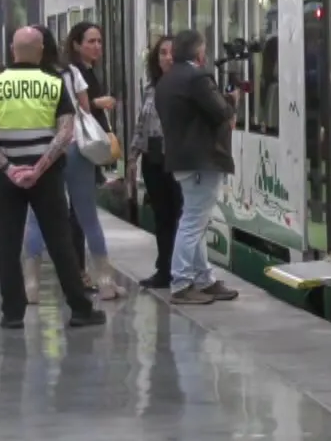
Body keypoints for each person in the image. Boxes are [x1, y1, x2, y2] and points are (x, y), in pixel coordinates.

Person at [0, 26, 105, 331]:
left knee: (7, 244)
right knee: (60, 243)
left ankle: (12, 313)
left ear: (11, 49)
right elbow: (66, 131)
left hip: (5, 179)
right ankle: (80, 309)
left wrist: (8, 168)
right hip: (46, 178)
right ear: (41, 50)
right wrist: (39, 167)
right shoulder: (54, 83)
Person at [22, 22, 119, 301]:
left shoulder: (22, 78)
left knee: (36, 219)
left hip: (41, 152)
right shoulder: (70, 72)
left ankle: (31, 286)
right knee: (88, 215)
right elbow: (85, 110)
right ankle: (105, 282)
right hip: (75, 148)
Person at [155, 29, 237, 306]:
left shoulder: (166, 81)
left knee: (196, 220)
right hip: (202, 160)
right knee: (193, 222)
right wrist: (232, 100)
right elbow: (221, 112)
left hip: (182, 160)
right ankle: (181, 283)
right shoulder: (197, 77)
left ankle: (204, 279)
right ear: (199, 53)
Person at [130, 35, 182, 289]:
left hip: (177, 158)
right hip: (153, 159)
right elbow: (142, 124)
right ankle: (164, 269)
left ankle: (180, 269)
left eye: (172, 52)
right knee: (163, 216)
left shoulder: (186, 84)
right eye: (162, 52)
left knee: (181, 215)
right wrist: (133, 157)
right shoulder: (152, 88)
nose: (167, 57)